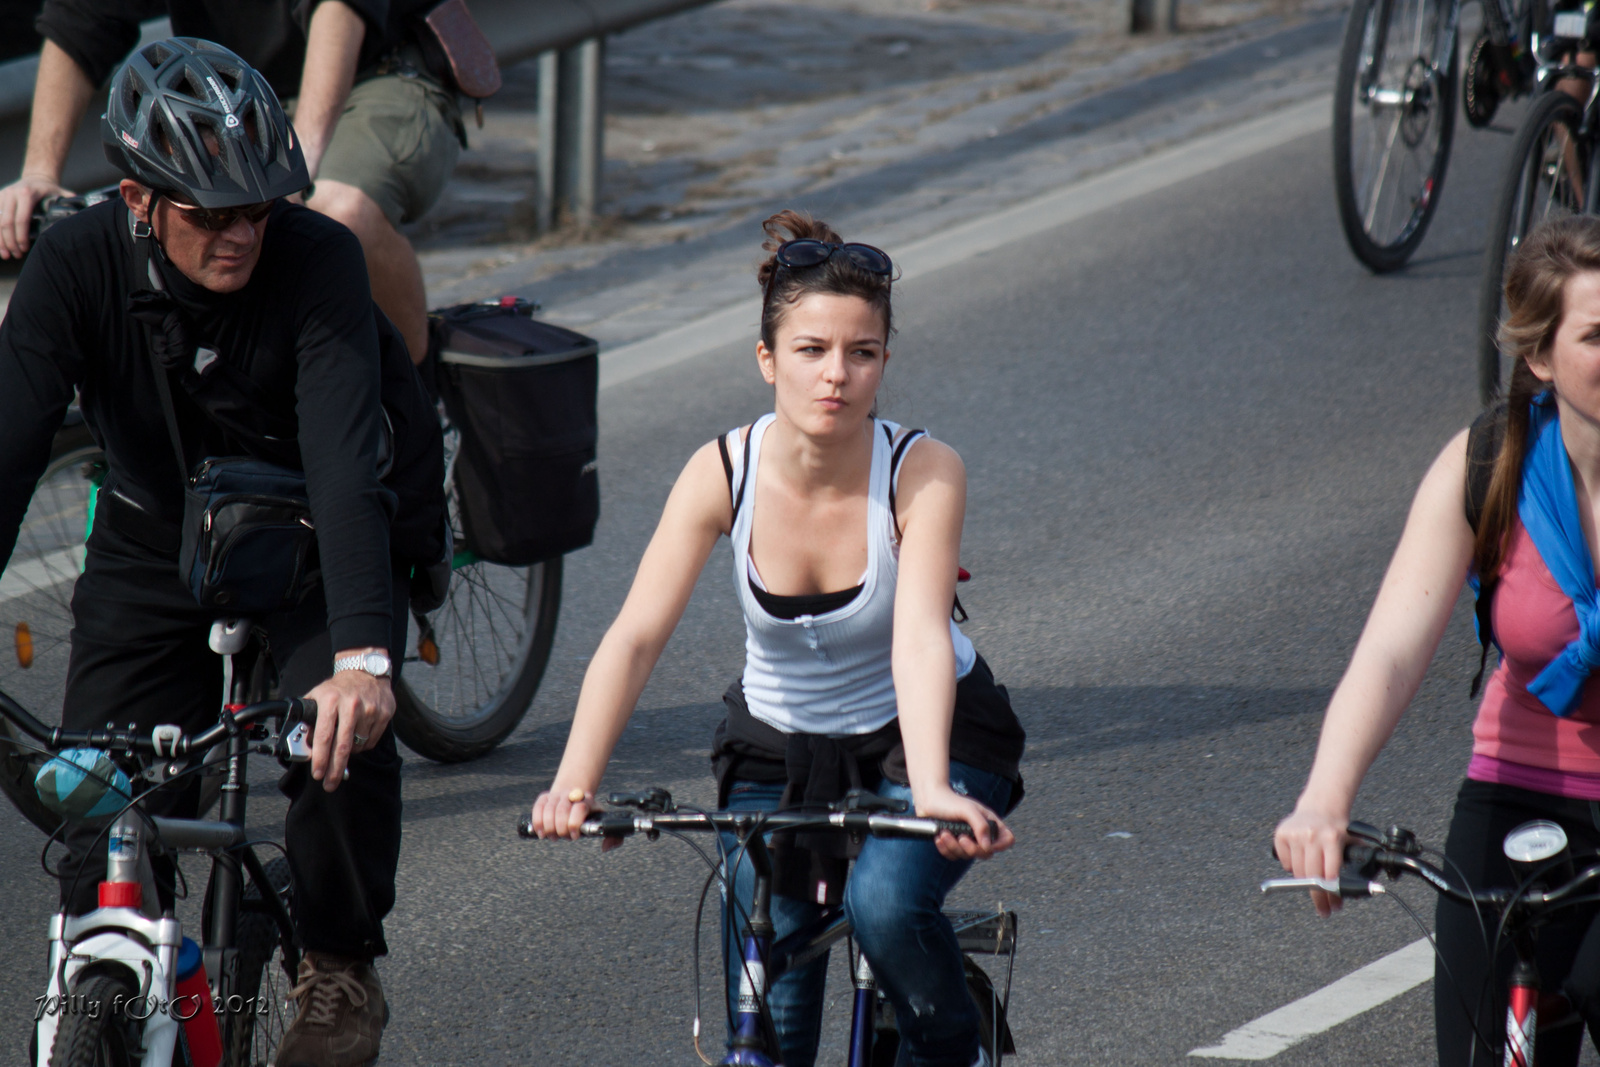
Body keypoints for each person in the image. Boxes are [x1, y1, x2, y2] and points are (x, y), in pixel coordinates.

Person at [0, 39, 444, 1067]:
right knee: (98, 804)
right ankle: (101, 986)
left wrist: (364, 661)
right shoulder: (78, 264)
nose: (241, 233)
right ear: (137, 199)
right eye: (210, 214)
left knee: (334, 749)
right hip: (154, 541)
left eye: (258, 207)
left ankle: (337, 961)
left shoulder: (317, 257)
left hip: (301, 542)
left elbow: (344, 464)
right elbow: (11, 450)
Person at [529, 210, 1027, 1067]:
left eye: (862, 352)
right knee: (769, 1022)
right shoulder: (722, 470)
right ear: (767, 359)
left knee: (884, 904)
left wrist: (937, 787)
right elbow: (637, 635)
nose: (837, 374)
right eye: (811, 350)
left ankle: (956, 1043)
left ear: (883, 362)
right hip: (776, 753)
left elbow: (917, 634)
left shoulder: (923, 469)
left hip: (925, 736)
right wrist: (574, 783)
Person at [1274, 215, 1600, 1065]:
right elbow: (1388, 651)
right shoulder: (1490, 461)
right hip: (1517, 794)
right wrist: (1325, 798)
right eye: (1598, 335)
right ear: (1539, 358)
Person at [0, 0, 464, 366]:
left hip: (376, 71)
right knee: (183, 224)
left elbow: (339, 9)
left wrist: (292, 163)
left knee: (339, 214)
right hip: (228, 96)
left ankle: (416, 405)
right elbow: (82, 20)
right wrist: (41, 172)